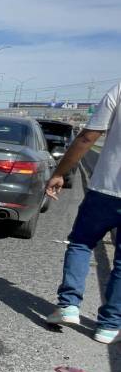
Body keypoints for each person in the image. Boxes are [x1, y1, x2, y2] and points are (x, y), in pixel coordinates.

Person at [45, 82, 121, 344]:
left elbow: (87, 137)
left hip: (106, 190)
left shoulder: (119, 90)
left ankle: (68, 305)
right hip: (105, 191)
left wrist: (59, 172)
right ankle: (109, 326)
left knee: (81, 243)